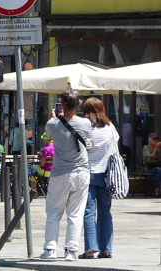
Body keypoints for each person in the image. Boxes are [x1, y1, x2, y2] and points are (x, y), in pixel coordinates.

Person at [40, 90, 91, 262]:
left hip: (60, 173)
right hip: (81, 173)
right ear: (78, 105)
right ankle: (71, 251)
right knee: (75, 214)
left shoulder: (53, 124)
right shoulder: (85, 123)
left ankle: (50, 250)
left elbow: (47, 135)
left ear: (62, 104)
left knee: (54, 212)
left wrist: (54, 117)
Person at [78, 97, 118, 259]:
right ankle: (106, 249)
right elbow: (115, 148)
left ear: (86, 111)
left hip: (87, 173)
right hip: (106, 175)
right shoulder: (110, 127)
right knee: (105, 213)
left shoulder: (84, 127)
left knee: (88, 212)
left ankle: (90, 250)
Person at [142, 133, 161, 197]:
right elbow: (149, 159)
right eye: (154, 139)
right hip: (148, 167)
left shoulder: (158, 149)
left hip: (156, 166)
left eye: (157, 139)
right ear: (149, 140)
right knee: (158, 170)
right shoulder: (145, 148)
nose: (156, 140)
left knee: (158, 170)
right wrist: (155, 148)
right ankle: (157, 189)